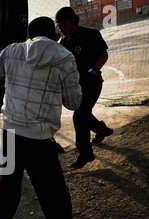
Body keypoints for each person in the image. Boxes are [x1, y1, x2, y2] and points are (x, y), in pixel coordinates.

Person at [0, 16, 98, 219]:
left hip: (11, 131)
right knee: (55, 197)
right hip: (38, 139)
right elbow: (73, 103)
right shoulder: (65, 58)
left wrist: (10, 64)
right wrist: (80, 83)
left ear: (29, 34)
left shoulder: (13, 50)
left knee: (9, 180)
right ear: (55, 35)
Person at [56, 6, 114, 169]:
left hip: (93, 83)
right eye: (58, 25)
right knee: (84, 114)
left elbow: (104, 54)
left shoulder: (91, 34)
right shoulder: (64, 42)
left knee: (79, 116)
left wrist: (94, 70)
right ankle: (101, 129)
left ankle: (85, 153)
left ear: (72, 20)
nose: (60, 28)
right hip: (77, 86)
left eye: (62, 24)